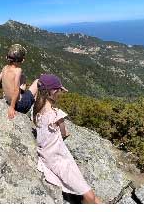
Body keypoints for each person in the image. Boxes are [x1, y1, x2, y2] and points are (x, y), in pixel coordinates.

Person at [32, 74, 100, 203]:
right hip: (59, 159)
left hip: (50, 156)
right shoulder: (57, 115)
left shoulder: (36, 110)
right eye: (59, 91)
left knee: (92, 196)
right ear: (53, 91)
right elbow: (64, 134)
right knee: (90, 197)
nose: (60, 94)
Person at [0, 43, 34, 119]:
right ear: (22, 60)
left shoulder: (5, 68)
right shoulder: (18, 70)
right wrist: (12, 107)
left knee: (23, 78)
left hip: (8, 100)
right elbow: (16, 90)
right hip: (18, 105)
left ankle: (26, 99)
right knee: (36, 82)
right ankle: (32, 111)